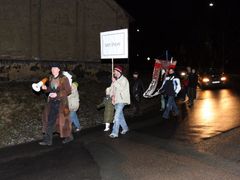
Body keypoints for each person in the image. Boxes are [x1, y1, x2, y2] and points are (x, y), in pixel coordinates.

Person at [39, 64, 73, 146]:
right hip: (52, 103)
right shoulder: (51, 78)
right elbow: (51, 89)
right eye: (52, 68)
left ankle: (69, 136)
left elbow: (68, 91)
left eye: (55, 68)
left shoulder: (63, 79)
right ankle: (48, 140)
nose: (53, 70)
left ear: (58, 70)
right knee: (50, 120)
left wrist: (57, 95)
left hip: (62, 103)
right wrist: (46, 89)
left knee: (64, 121)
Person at [109, 65, 130, 138]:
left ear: (119, 72)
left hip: (122, 100)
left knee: (116, 116)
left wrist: (115, 82)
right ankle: (125, 128)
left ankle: (114, 133)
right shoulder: (114, 80)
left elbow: (121, 88)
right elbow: (111, 90)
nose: (114, 72)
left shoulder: (124, 80)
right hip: (115, 101)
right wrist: (112, 96)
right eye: (114, 71)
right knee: (120, 116)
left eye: (115, 71)